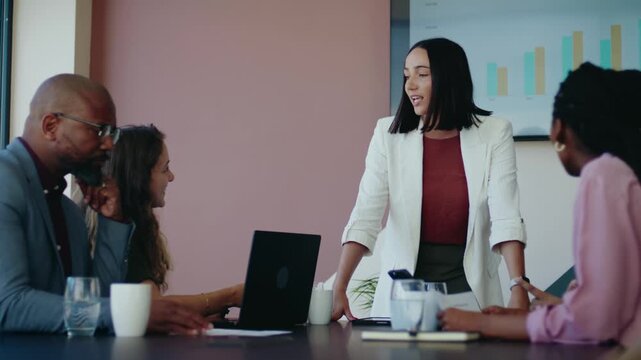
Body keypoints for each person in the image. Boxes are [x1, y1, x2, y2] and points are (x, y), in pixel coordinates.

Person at [439, 62, 641, 347]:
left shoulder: (603, 176)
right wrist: (559, 308)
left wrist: (486, 323)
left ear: (560, 128)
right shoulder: (625, 175)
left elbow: (595, 322)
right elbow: (618, 305)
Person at [332, 38, 529, 321]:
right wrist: (340, 285)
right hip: (403, 297)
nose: (410, 85)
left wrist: (517, 285)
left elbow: (506, 215)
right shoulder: (387, 134)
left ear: (449, 78)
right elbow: (365, 214)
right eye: (406, 76)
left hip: (471, 294)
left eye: (422, 75)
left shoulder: (495, 133)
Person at [0, 74, 210, 334]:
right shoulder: (5, 183)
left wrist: (114, 220)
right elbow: (7, 305)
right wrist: (128, 313)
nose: (109, 144)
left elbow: (93, 308)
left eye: (112, 133)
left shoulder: (66, 211)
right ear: (50, 126)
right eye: (99, 130)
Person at [87, 124, 243, 318]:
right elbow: (152, 307)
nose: (171, 177)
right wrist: (231, 296)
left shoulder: (138, 225)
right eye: (165, 168)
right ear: (140, 176)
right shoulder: (122, 231)